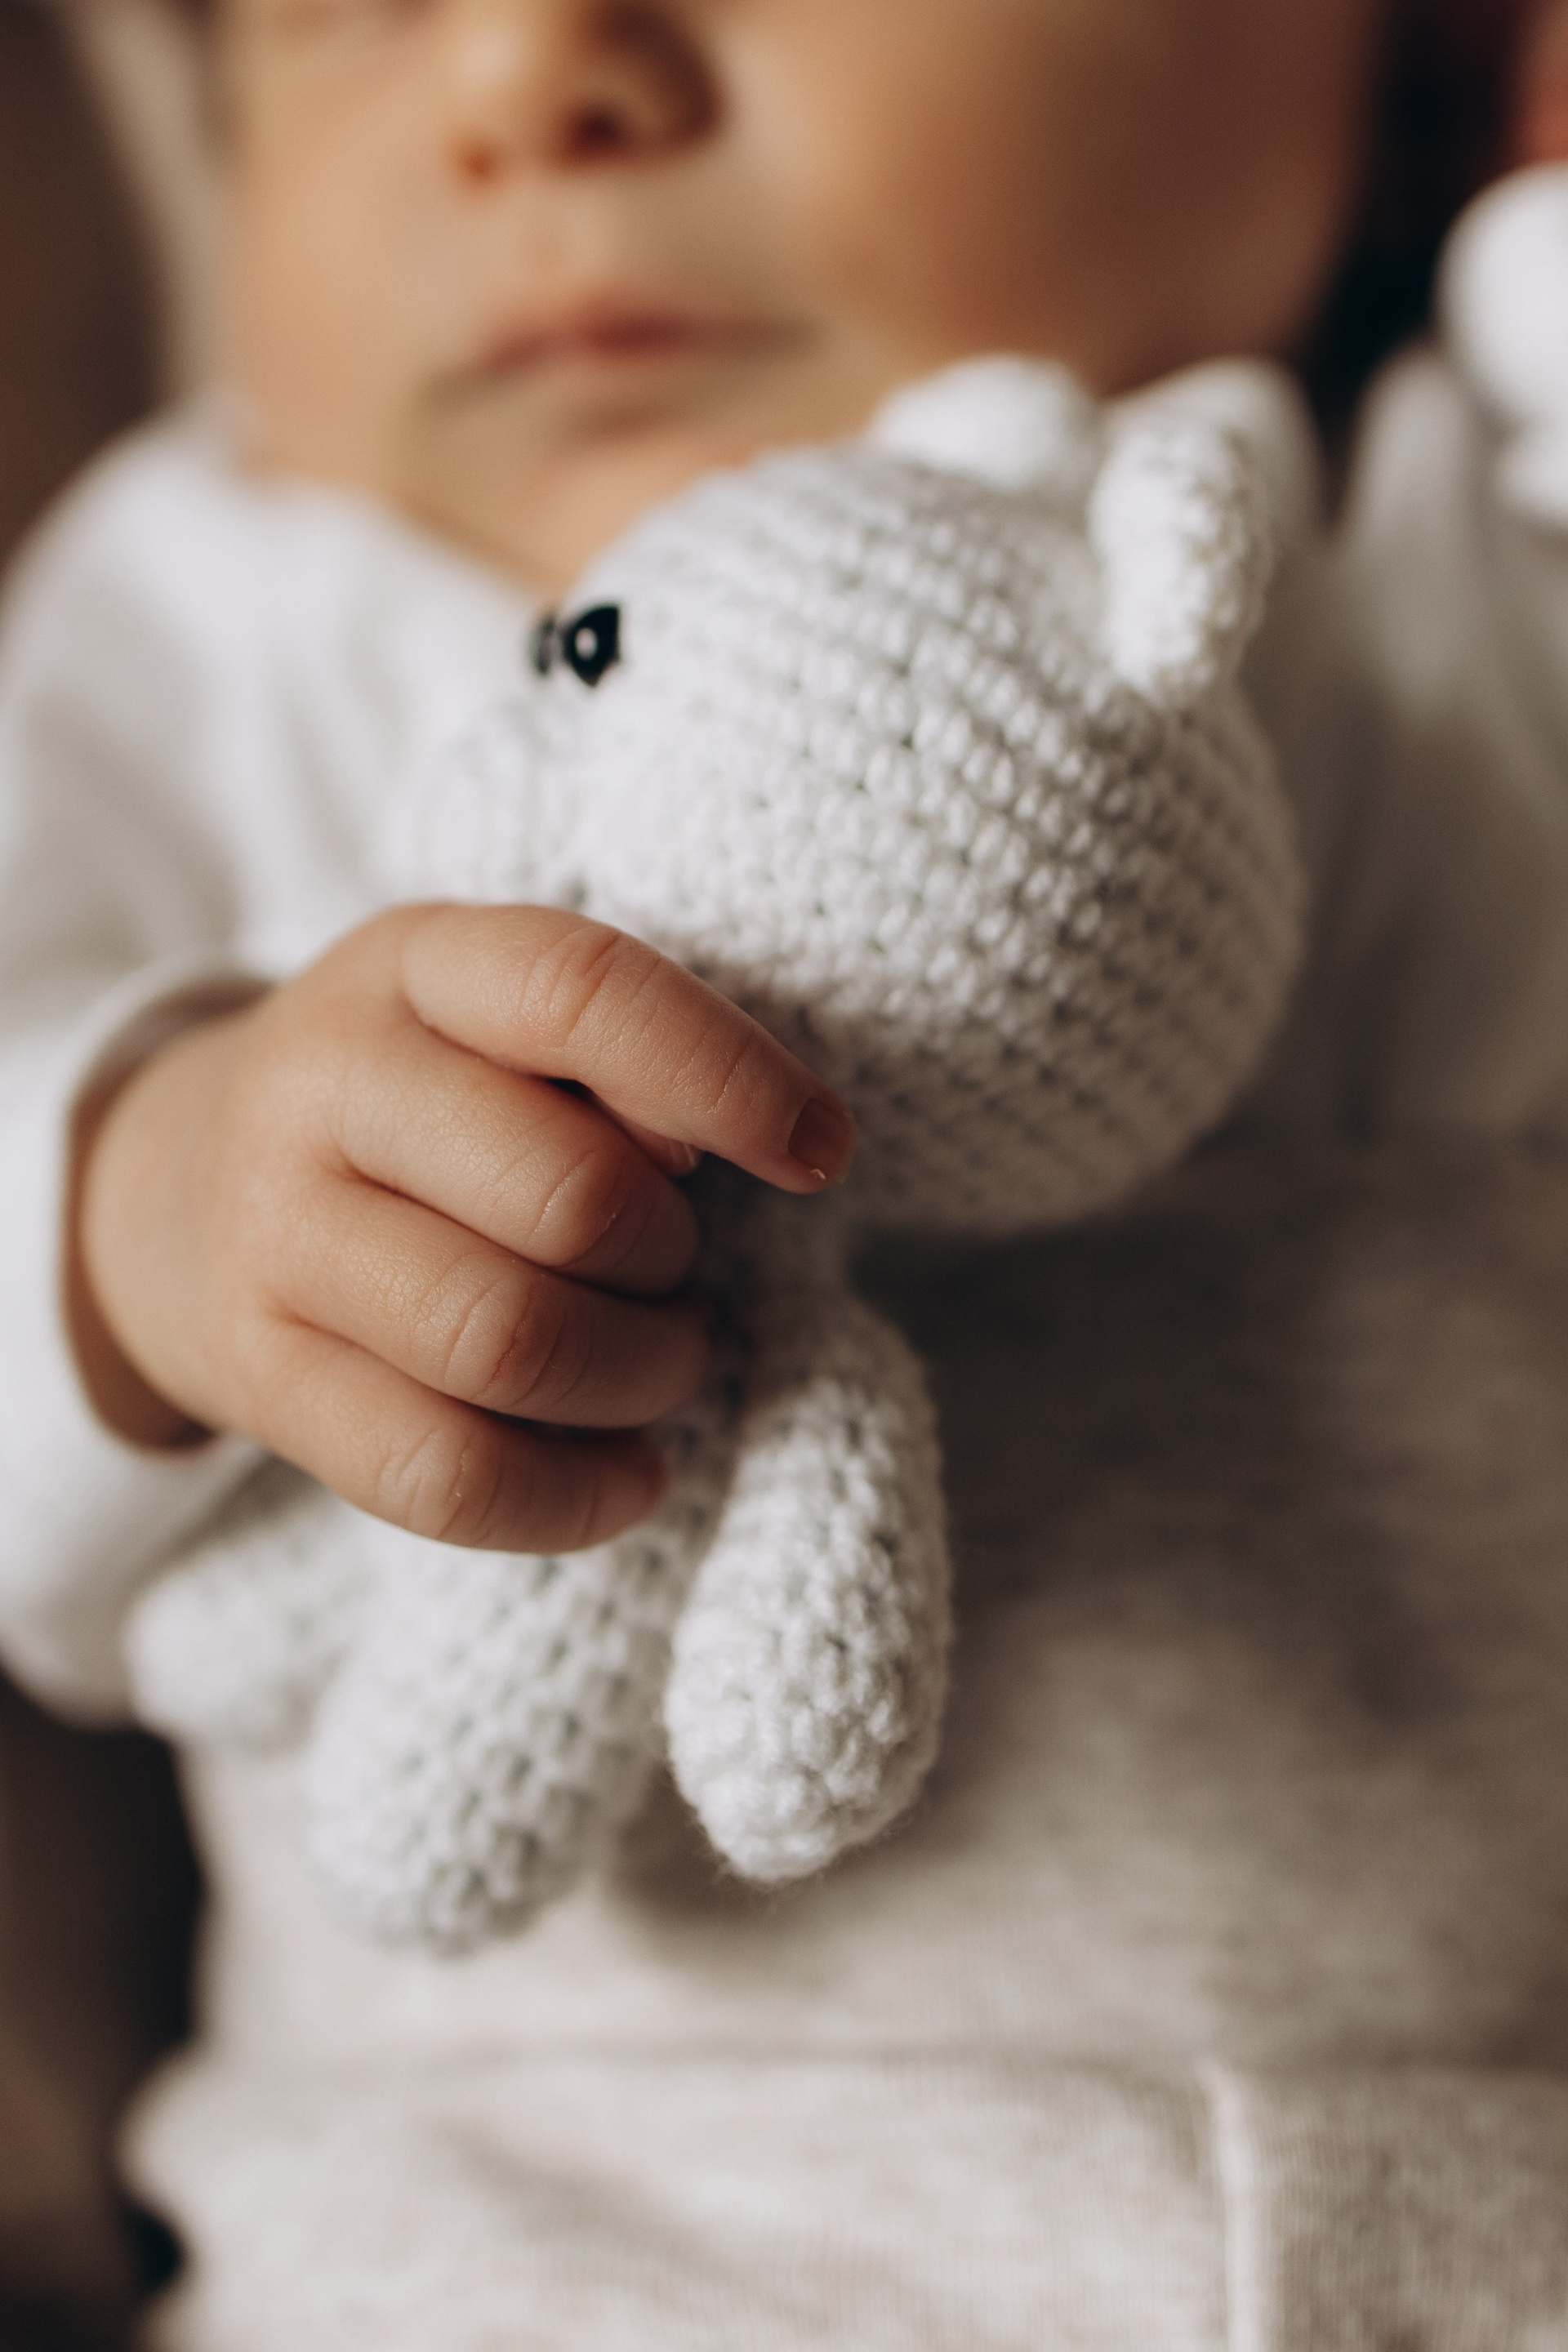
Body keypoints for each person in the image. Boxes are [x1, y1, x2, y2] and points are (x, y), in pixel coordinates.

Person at [4, 0, 1568, 2342]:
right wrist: (157, 1197)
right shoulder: (228, 621)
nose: (529, 72)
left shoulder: (1436, 554)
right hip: (506, 2258)